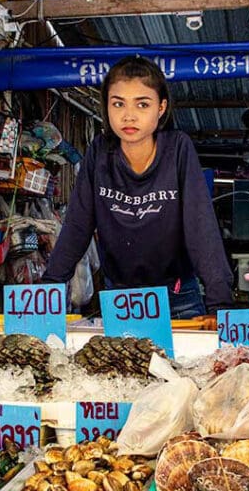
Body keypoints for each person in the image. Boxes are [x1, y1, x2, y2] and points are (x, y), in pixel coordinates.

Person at [42, 55, 234, 319]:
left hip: (178, 300)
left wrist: (220, 305)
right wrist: (48, 289)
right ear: (106, 107)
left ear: (161, 107)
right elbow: (77, 225)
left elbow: (200, 227)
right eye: (118, 104)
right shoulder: (99, 152)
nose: (128, 116)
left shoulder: (178, 149)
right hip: (120, 300)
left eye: (142, 104)